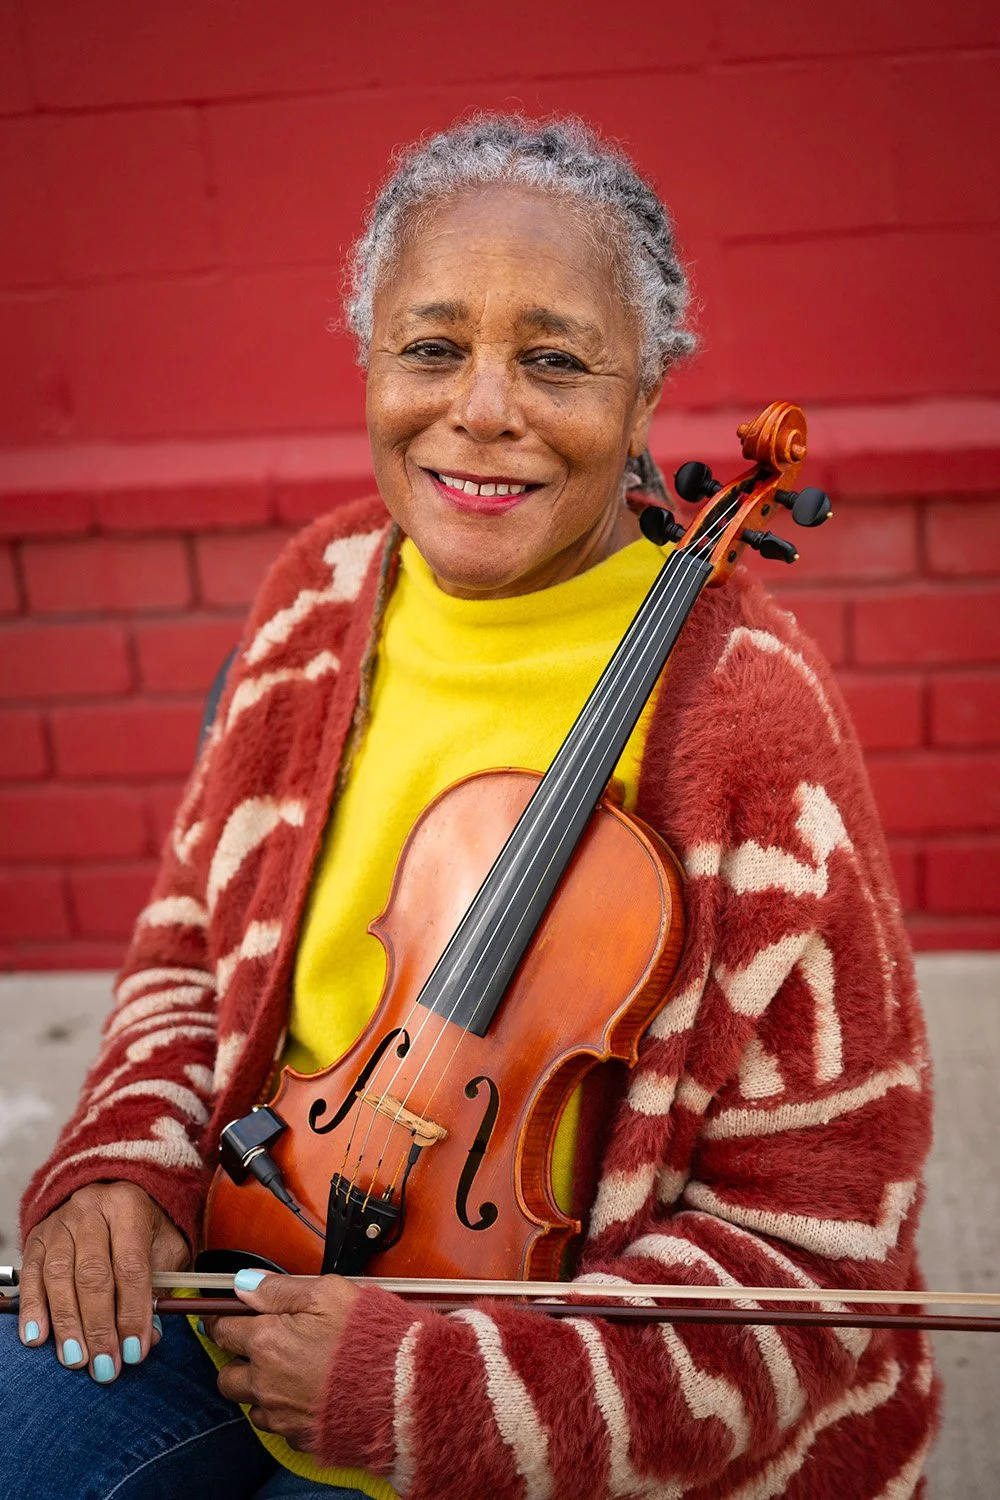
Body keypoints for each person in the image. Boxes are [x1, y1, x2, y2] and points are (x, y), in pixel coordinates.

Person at [3, 115, 938, 1499]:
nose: (483, 410)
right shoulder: (317, 597)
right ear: (370, 356)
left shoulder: (751, 724)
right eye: (431, 347)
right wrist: (125, 1165)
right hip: (251, 1236)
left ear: (646, 391)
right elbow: (191, 959)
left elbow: (816, 1253)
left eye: (554, 359)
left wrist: (434, 1389)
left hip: (544, 1374)